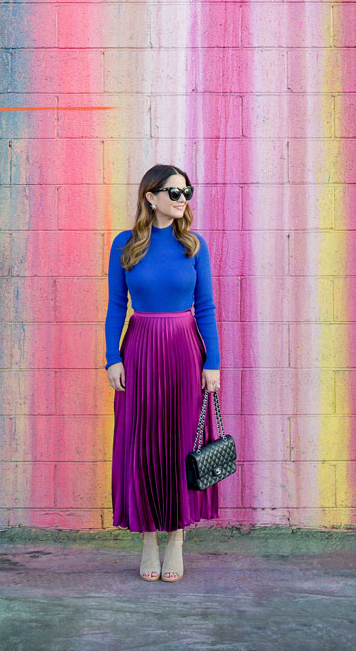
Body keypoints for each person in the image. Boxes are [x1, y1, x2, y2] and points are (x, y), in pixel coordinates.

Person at [105, 164, 222, 582]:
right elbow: (117, 306)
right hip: (139, 350)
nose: (182, 199)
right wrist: (111, 357)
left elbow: (205, 307)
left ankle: (177, 538)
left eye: (186, 191)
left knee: (178, 442)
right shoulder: (126, 244)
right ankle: (148, 538)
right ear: (150, 197)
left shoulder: (193, 245)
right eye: (173, 192)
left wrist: (213, 362)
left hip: (184, 350)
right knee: (142, 443)